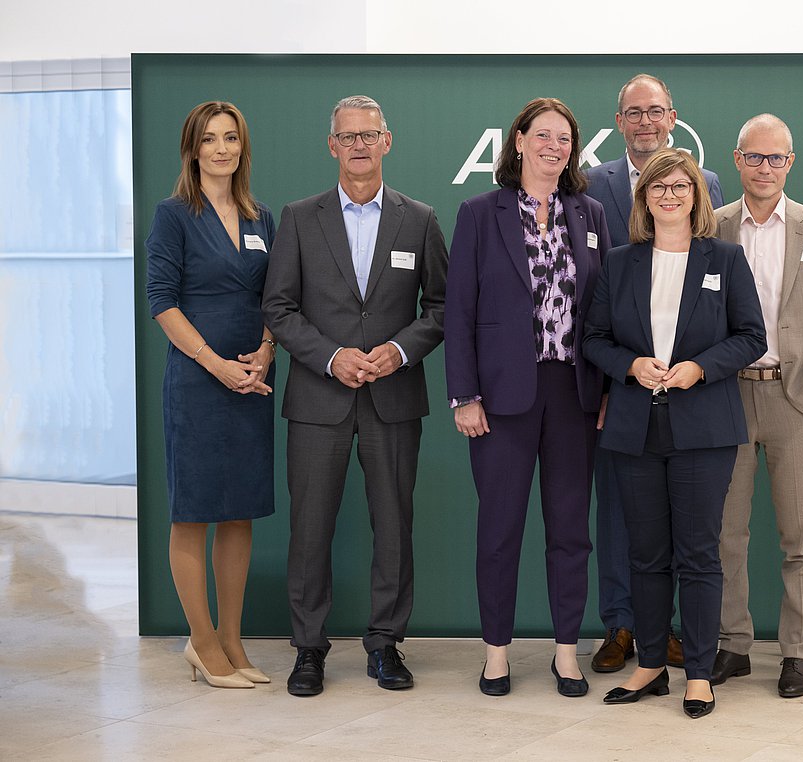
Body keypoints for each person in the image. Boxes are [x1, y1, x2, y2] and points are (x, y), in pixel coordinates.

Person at [262, 95, 448, 697]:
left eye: (371, 135)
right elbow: (279, 308)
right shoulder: (299, 216)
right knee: (309, 528)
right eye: (349, 136)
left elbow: (442, 307)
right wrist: (331, 356)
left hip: (394, 399)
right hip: (318, 400)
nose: (360, 145)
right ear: (332, 145)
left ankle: (385, 645)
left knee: (393, 525)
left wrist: (396, 352)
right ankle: (309, 650)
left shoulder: (418, 218)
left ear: (387, 142)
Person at [584, 148, 767, 719]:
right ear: (644, 199)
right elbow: (592, 338)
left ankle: (699, 673)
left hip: (704, 426)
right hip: (636, 427)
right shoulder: (620, 262)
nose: (669, 195)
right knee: (645, 556)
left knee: (698, 555)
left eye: (679, 187)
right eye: (658, 187)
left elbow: (751, 336)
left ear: (697, 196)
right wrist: (631, 366)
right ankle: (650, 664)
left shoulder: (726, 259)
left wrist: (700, 368)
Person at [444, 97, 611, 698]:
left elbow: (603, 312)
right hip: (501, 396)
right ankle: (496, 654)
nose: (553, 147)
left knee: (570, 528)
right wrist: (464, 394)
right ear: (517, 142)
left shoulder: (588, 212)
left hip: (573, 392)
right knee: (500, 528)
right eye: (542, 135)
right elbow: (459, 311)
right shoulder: (478, 213)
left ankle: (566, 653)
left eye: (564, 139)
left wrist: (607, 389)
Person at [584, 74, 724, 673]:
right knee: (620, 512)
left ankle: (667, 633)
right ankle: (621, 625)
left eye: (656, 111)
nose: (645, 122)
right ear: (619, 121)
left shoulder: (708, 184)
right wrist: (610, 382)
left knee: (684, 523)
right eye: (634, 113)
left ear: (674, 116)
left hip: (690, 388)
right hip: (624, 384)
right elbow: (587, 291)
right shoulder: (592, 185)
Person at [710, 114, 803, 699]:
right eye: (754, 157)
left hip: (796, 401)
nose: (765, 168)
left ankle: (797, 651)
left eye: (777, 159)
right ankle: (732, 645)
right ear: (737, 160)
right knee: (725, 535)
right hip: (724, 397)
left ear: (791, 163)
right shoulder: (710, 226)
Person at [146, 101, 277, 689]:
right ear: (192, 148)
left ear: (242, 147)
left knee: (240, 513)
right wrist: (214, 364)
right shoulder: (173, 215)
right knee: (195, 513)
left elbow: (277, 296)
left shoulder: (260, 217)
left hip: (251, 380)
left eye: (231, 138)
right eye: (209, 139)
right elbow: (162, 303)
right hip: (198, 382)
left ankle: (231, 638)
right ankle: (200, 643)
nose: (221, 148)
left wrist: (268, 349)